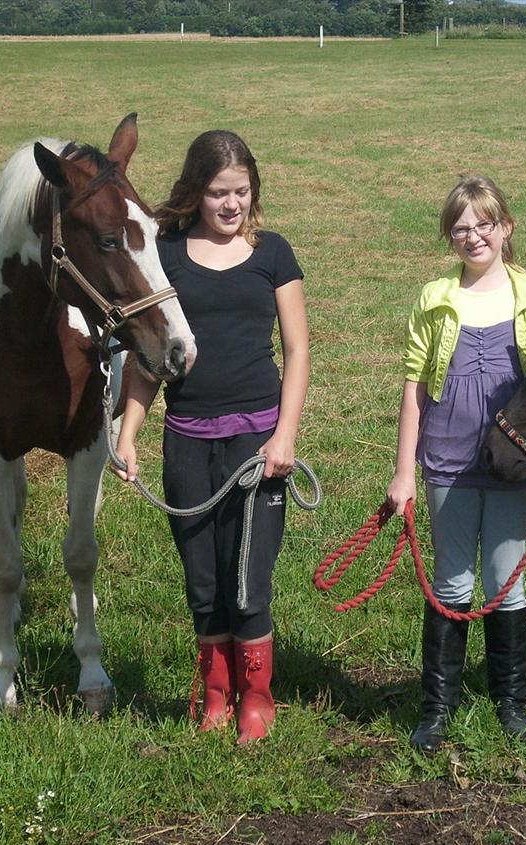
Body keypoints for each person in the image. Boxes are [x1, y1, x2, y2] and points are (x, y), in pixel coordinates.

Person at [386, 175, 526, 753]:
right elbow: (413, 389)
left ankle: (511, 703)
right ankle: (437, 707)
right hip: (446, 461)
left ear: (506, 228)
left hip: (514, 466)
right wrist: (404, 472)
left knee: (506, 581)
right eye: (460, 228)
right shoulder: (434, 298)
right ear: (448, 236)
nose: (473, 236)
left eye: (484, 224)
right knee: (450, 580)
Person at [115, 130, 309, 745]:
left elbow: (299, 350)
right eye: (219, 193)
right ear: (196, 193)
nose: (231, 205)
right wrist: (129, 431)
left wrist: (285, 437)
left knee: (248, 581)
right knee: (203, 582)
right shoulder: (166, 253)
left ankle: (257, 699)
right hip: (187, 442)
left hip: (256, 446)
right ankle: (215, 696)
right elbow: (151, 357)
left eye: (242, 192)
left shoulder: (273, 252)